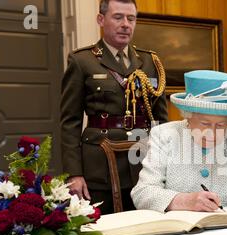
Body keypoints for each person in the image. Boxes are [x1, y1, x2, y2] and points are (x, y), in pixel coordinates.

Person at [60, 0, 168, 214]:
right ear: (101, 19)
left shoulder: (150, 62)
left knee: (148, 229)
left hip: (143, 161)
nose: (125, 24)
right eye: (118, 17)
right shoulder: (82, 61)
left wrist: (167, 164)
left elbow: (161, 121)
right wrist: (74, 173)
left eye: (131, 18)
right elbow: (70, 121)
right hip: (100, 164)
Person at [131, 70, 227, 212]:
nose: (212, 133)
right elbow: (142, 193)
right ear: (188, 116)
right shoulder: (164, 135)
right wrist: (184, 201)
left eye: (220, 125)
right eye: (205, 123)